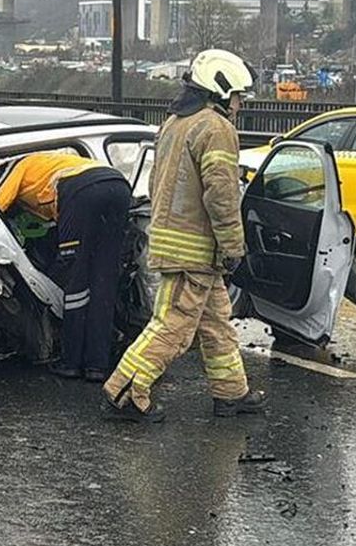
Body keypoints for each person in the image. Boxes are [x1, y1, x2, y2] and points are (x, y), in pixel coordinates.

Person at [101, 48, 265, 422]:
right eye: (238, 96)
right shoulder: (216, 128)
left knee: (216, 323)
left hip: (176, 243)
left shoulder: (174, 124)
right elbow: (221, 195)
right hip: (196, 250)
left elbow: (160, 183)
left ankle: (231, 393)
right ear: (221, 90)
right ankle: (123, 394)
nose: (240, 104)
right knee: (172, 327)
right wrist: (233, 246)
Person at [0, 152, 131, 381]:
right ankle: (97, 365)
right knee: (104, 281)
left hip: (81, 192)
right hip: (118, 186)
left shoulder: (17, 165)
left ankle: (71, 363)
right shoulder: (52, 163)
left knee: (76, 280)